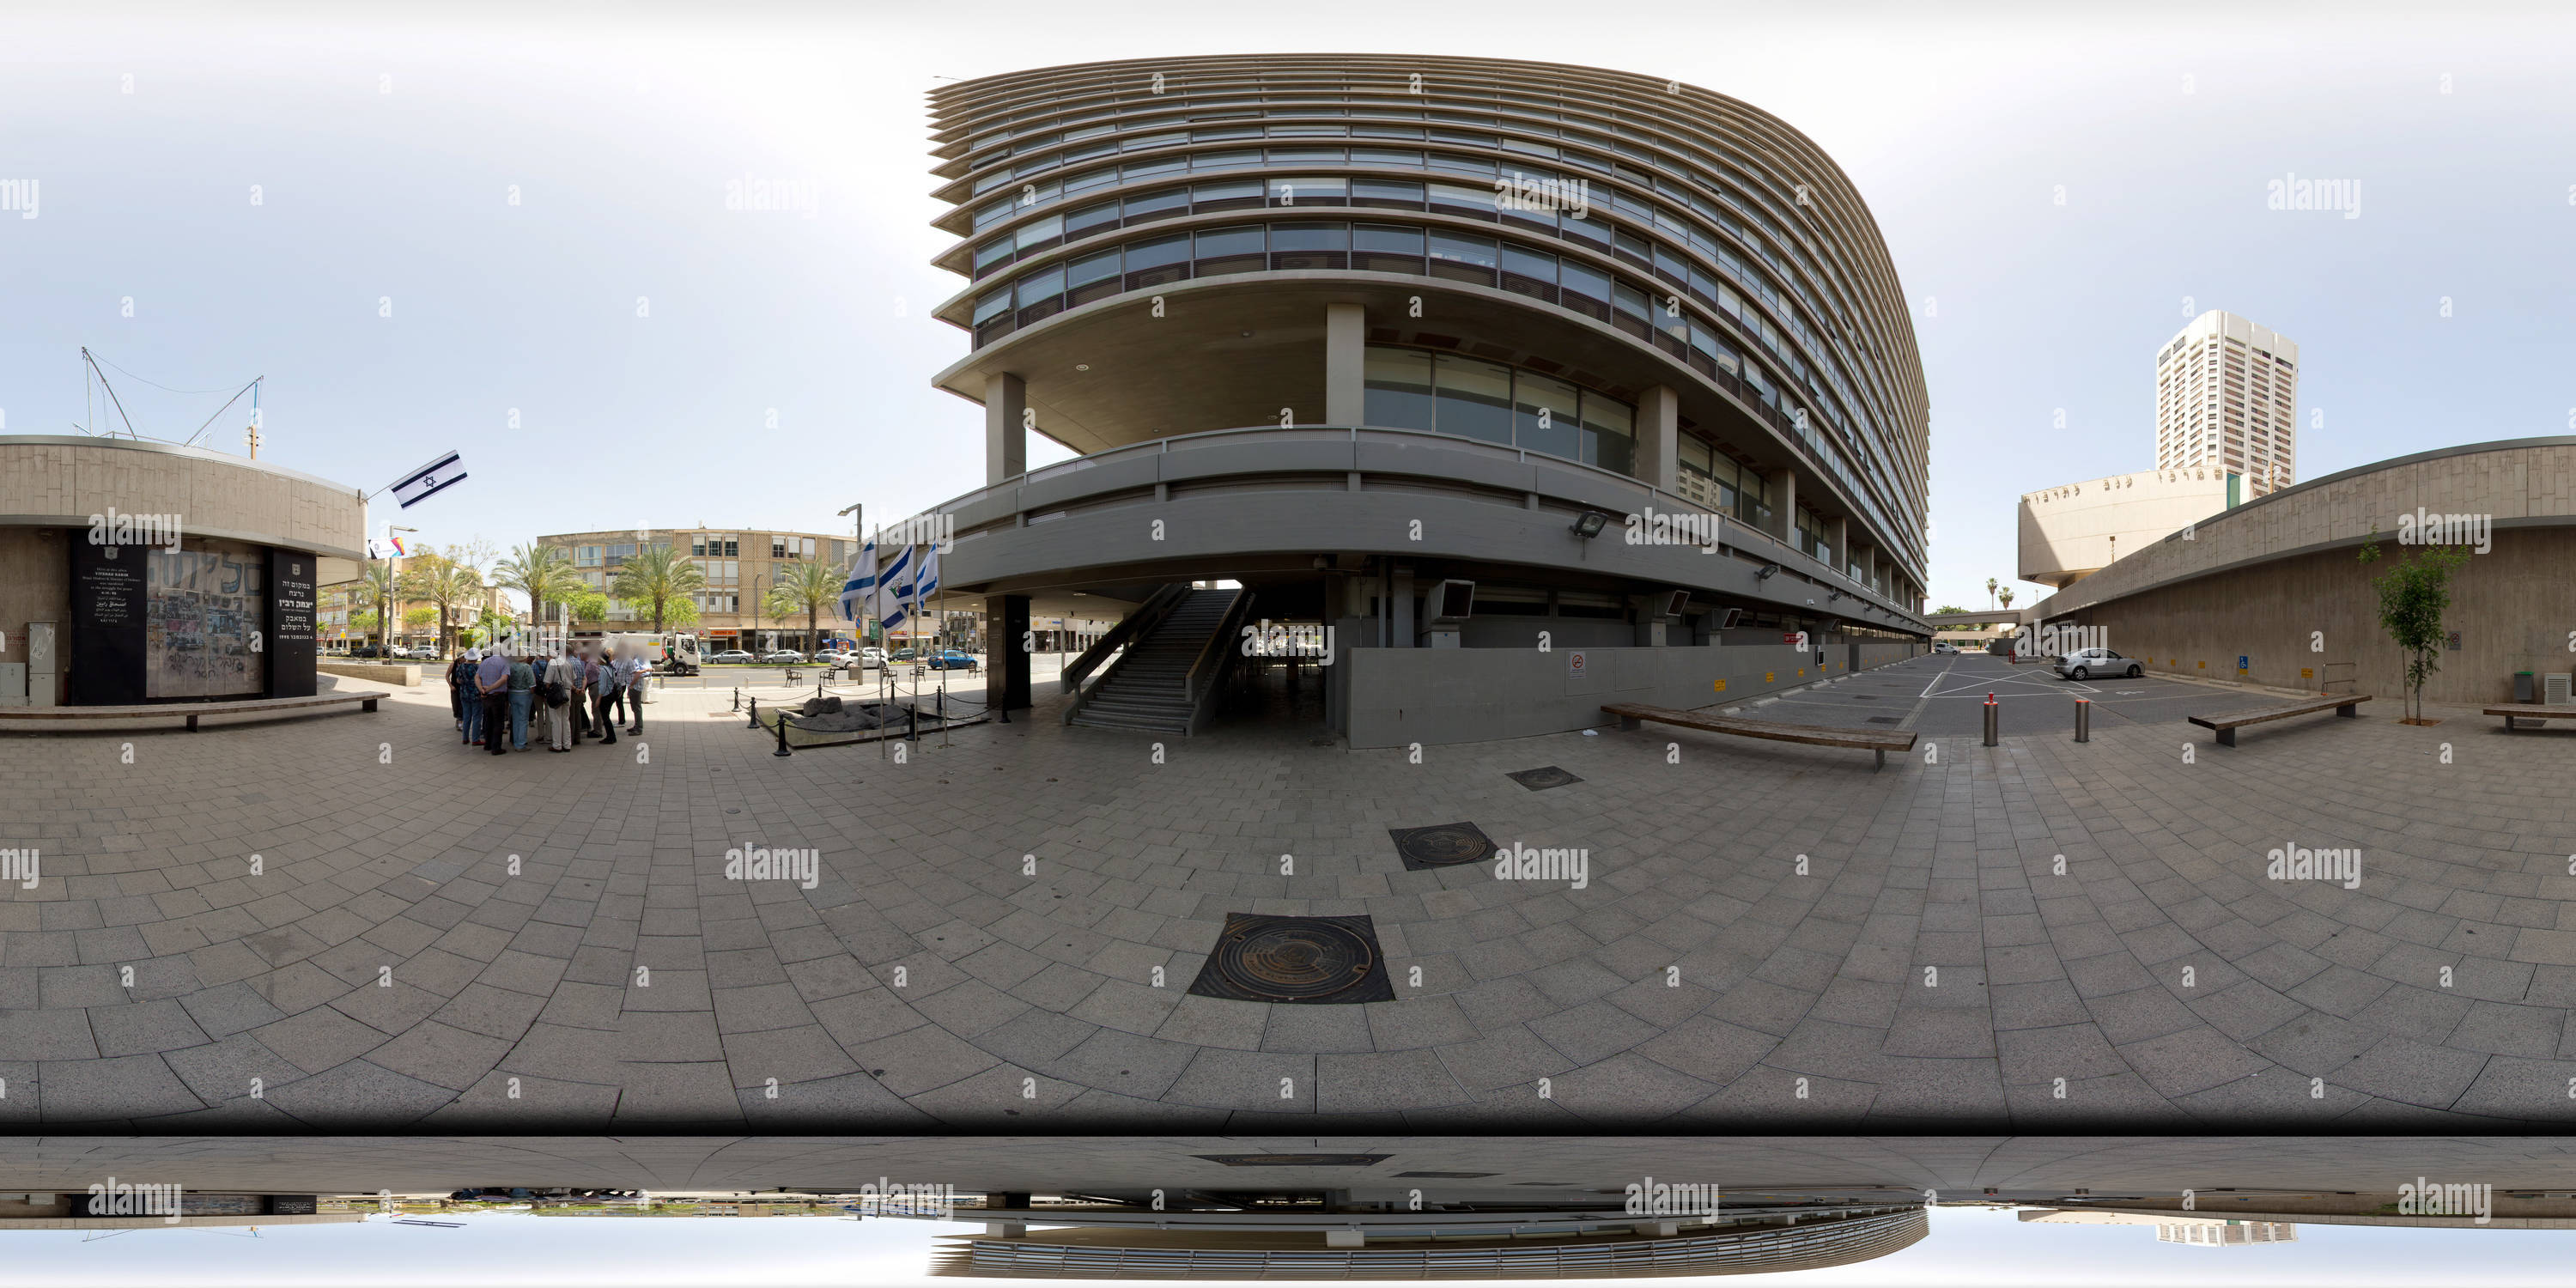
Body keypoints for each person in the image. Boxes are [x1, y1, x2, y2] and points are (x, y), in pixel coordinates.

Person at [476, 645, 513, 756]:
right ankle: (496, 747)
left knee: (488, 720)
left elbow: (477, 677)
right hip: (497, 696)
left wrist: (482, 690)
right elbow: (504, 678)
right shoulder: (504, 662)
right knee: (498, 722)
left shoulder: (484, 662)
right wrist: (491, 688)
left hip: (486, 697)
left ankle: (488, 744)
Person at [544, 646, 581, 751]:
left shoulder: (552, 663)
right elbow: (573, 680)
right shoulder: (568, 663)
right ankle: (567, 744)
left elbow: (547, 682)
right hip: (568, 692)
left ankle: (557, 745)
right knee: (565, 719)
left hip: (556, 693)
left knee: (556, 720)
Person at [506, 647, 536, 751]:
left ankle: (516, 741)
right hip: (524, 694)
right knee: (523, 720)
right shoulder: (527, 667)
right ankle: (521, 744)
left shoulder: (511, 666)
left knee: (516, 719)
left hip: (512, 694)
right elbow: (532, 685)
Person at [589, 644, 620, 744]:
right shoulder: (611, 668)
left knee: (605, 718)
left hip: (605, 696)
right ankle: (612, 737)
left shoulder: (603, 670)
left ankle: (611, 737)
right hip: (611, 694)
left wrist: (598, 699)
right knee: (607, 717)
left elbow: (602, 686)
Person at [457, 649, 484, 745]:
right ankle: (475, 739)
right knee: (477, 717)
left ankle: (465, 738)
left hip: (464, 694)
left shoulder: (461, 666)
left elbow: (458, 680)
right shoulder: (478, 667)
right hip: (476, 694)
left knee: (466, 716)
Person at [618, 650, 647, 735]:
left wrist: (631, 685)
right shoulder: (637, 660)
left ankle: (638, 728)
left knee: (636, 708)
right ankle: (637, 726)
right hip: (636, 687)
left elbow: (637, 674)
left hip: (635, 687)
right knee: (635, 708)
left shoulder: (634, 661)